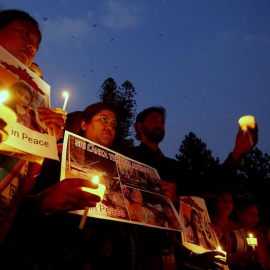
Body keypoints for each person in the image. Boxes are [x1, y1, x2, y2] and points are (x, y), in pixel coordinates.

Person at [122, 106, 242, 269]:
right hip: (132, 252)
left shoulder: (172, 167)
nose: (160, 125)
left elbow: (206, 184)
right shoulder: (128, 157)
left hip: (171, 254)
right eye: (153, 120)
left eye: (162, 122)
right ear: (139, 126)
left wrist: (236, 155)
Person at [25, 102, 134, 270]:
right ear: (84, 124)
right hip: (62, 250)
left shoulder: (121, 170)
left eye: (113, 124)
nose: (109, 127)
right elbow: (29, 193)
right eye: (103, 119)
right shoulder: (59, 153)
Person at [227, 197, 270, 270]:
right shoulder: (231, 233)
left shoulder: (260, 236)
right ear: (239, 213)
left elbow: (265, 261)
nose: (254, 218)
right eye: (250, 214)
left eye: (256, 215)